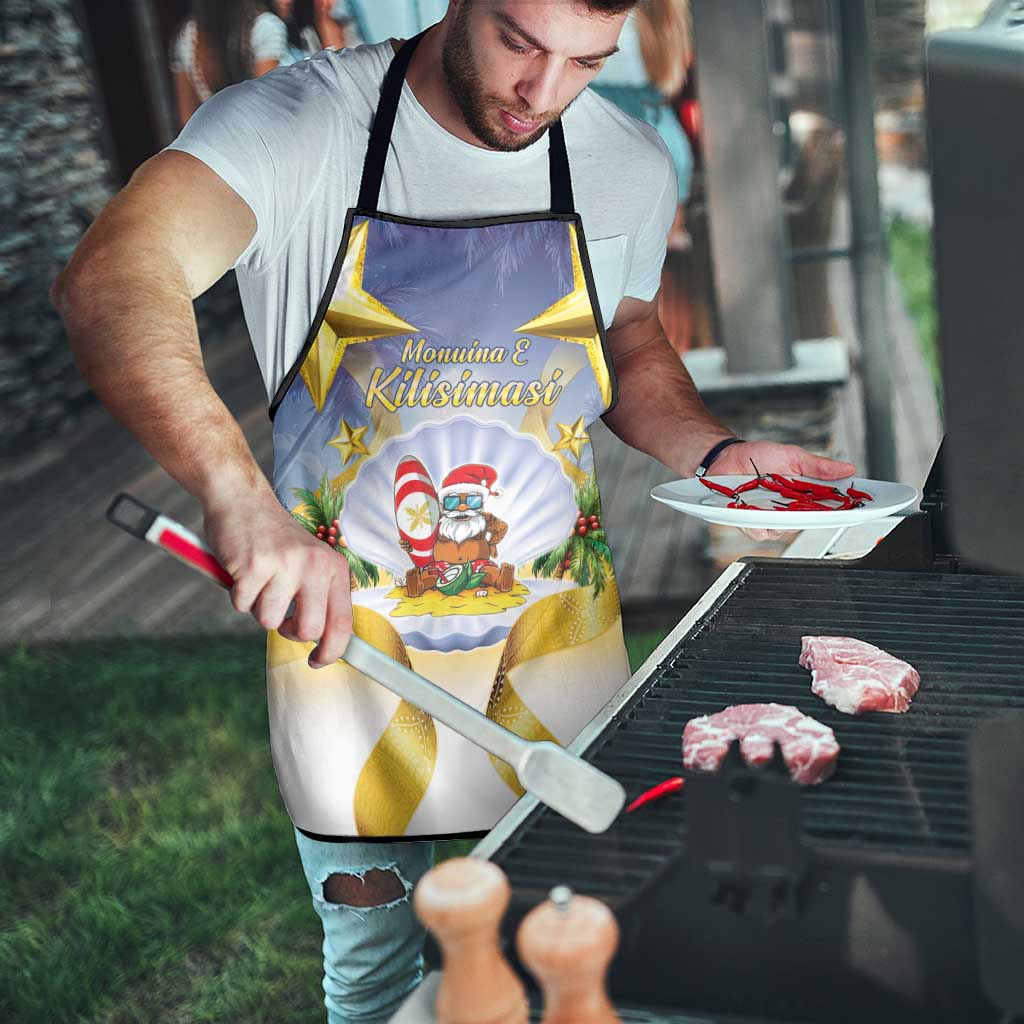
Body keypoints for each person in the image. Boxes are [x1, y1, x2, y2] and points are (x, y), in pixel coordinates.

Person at [53, 2, 856, 1020]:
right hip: (351, 656)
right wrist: (238, 499)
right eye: (521, 42)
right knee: (379, 977)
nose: (543, 94)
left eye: (585, 62)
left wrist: (717, 448)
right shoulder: (298, 126)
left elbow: (628, 336)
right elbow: (113, 275)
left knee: (572, 955)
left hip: (555, 648)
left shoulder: (623, 160)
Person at [170, 0, 289, 126]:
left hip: (215, 139)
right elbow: (266, 107)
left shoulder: (188, 37)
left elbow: (188, 121)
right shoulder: (266, 27)